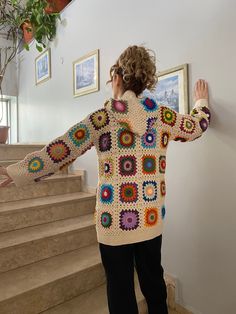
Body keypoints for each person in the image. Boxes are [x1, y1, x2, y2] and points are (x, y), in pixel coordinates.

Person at [0, 45, 211, 314]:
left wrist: (17, 171)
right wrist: (201, 104)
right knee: (154, 284)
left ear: (118, 77)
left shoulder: (102, 119)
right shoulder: (161, 117)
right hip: (150, 218)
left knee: (120, 291)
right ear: (146, 81)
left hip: (113, 224)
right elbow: (196, 127)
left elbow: (60, 150)